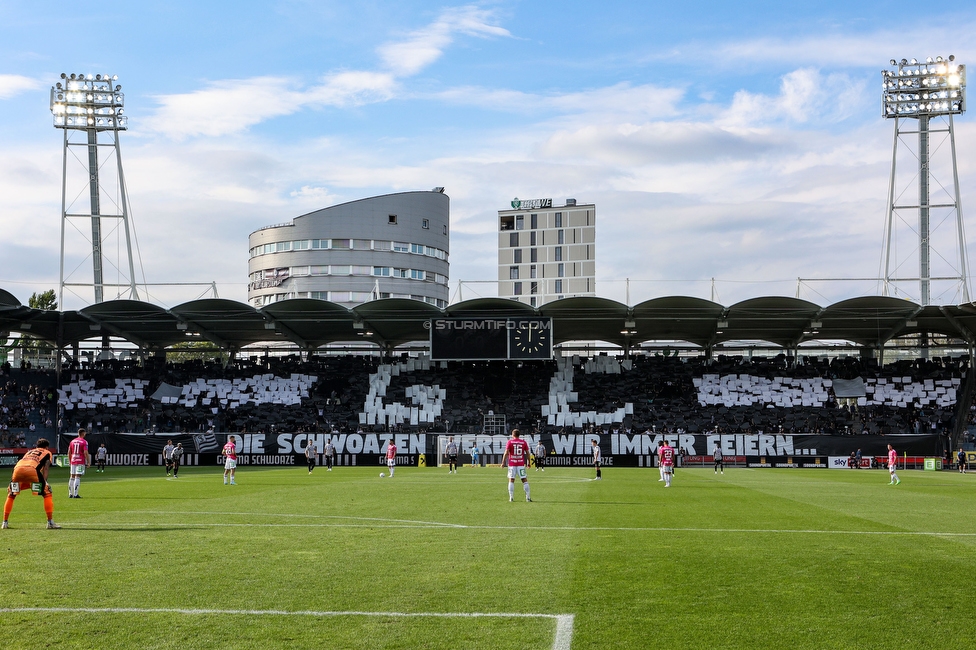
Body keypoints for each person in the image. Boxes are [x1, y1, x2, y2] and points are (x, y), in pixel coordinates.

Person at [3, 438, 60, 529]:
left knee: (11, 495)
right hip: (32, 470)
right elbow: (46, 468)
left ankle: (4, 522)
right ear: (46, 447)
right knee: (47, 493)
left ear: (36, 446)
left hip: (17, 470)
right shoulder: (47, 452)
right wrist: (45, 482)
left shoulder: (29, 452)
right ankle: (50, 522)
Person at [500, 429, 532, 502]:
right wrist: (529, 462)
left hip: (512, 464)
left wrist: (503, 462)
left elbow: (506, 453)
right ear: (519, 435)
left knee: (511, 480)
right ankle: (528, 497)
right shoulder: (523, 442)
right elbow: (527, 453)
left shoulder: (510, 442)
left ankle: (511, 497)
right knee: (524, 480)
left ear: (512, 435)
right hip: (521, 464)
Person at [67, 428, 90, 498]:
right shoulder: (84, 442)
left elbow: (69, 452)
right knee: (78, 476)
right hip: (80, 461)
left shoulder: (72, 441)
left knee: (72, 476)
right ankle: (76, 494)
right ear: (83, 433)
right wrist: (88, 462)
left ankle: (70, 494)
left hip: (73, 460)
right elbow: (85, 452)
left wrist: (70, 461)